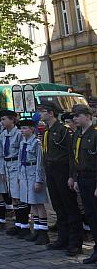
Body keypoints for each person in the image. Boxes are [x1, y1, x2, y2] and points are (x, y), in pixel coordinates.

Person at [38, 103, 81, 256]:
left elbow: (71, 155)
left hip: (62, 170)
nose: (40, 114)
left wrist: (71, 175)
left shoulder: (63, 130)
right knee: (58, 206)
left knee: (69, 206)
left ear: (51, 113)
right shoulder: (47, 130)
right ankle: (63, 238)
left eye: (42, 111)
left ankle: (75, 241)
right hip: (51, 170)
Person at [69, 104, 97, 264]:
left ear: (88, 116)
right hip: (83, 178)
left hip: (94, 178)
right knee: (91, 216)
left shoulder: (95, 134)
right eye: (74, 116)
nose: (75, 118)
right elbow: (75, 158)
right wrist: (74, 177)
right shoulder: (77, 134)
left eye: (78, 115)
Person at [17, 118, 49, 245]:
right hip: (25, 175)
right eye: (21, 128)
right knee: (32, 204)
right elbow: (20, 161)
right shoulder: (22, 143)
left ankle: (43, 233)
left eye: (25, 128)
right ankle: (36, 229)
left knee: (39, 203)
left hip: (33, 174)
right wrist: (19, 177)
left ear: (32, 129)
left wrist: (38, 180)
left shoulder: (36, 143)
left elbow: (40, 164)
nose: (22, 131)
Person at [0, 110, 23, 235]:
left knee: (18, 196)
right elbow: (0, 154)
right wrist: (2, 170)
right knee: (13, 196)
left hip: (15, 165)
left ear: (12, 120)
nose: (2, 122)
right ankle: (18, 223)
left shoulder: (19, 134)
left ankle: (22, 224)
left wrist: (20, 172)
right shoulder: (3, 134)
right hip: (7, 166)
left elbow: (21, 153)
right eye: (1, 119)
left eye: (4, 119)